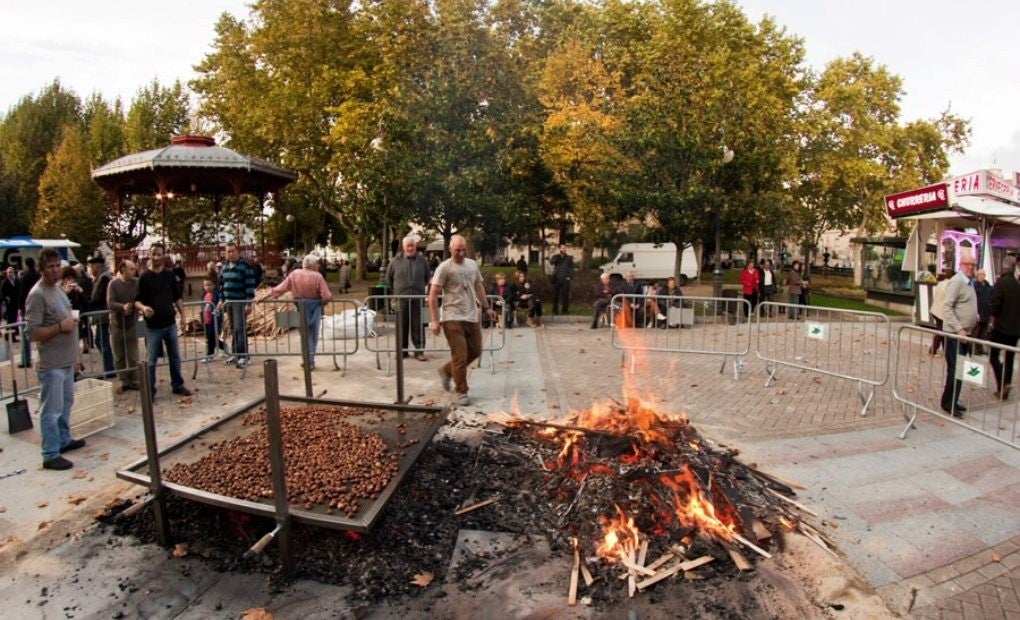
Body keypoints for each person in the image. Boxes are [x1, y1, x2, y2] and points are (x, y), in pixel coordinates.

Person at [25, 247, 84, 470]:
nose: (55, 270)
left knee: (66, 403)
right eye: (50, 267)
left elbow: (68, 318)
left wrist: (75, 355)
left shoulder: (59, 291)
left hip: (67, 360)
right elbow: (33, 333)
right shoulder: (37, 295)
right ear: (42, 269)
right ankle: (50, 453)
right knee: (51, 409)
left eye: (57, 265)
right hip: (51, 364)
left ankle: (63, 440)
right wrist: (61, 326)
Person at [428, 235, 495, 407]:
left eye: (463, 249)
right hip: (451, 317)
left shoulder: (472, 265)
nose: (461, 253)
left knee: (476, 350)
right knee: (460, 355)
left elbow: (479, 286)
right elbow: (433, 295)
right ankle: (462, 391)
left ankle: (446, 371)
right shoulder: (444, 268)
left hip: (471, 315)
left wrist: (487, 307)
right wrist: (435, 320)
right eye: (458, 250)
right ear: (450, 249)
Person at [135, 243, 192, 399]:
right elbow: (137, 301)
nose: (156, 257)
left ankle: (178, 385)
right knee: (151, 361)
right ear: (150, 255)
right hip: (153, 327)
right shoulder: (144, 277)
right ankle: (150, 392)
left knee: (175, 357)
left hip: (170, 324)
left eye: (159, 254)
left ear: (163, 256)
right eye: (153, 254)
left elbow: (177, 297)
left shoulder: (169, 275)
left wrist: (183, 316)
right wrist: (144, 308)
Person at [270, 254, 333, 370]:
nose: (318, 265)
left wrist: (272, 293)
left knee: (304, 335)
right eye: (317, 263)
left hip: (298, 305)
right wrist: (323, 302)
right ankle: (310, 361)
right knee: (313, 335)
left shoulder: (294, 274)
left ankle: (307, 360)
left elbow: (282, 287)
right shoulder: (317, 276)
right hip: (314, 306)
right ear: (312, 264)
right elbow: (327, 295)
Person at [940, 253, 978, 418]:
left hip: (964, 335)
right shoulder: (957, 281)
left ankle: (952, 400)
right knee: (955, 369)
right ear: (961, 265)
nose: (971, 267)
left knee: (961, 369)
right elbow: (947, 307)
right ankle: (948, 403)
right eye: (968, 264)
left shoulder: (969, 282)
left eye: (973, 265)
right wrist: (959, 329)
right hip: (955, 335)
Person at [386, 236, 430, 360]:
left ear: (415, 247)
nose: (410, 248)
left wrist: (418, 287)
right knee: (401, 325)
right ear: (404, 247)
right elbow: (389, 279)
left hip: (417, 298)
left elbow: (427, 277)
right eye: (408, 246)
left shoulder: (423, 261)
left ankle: (419, 351)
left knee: (418, 325)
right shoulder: (395, 261)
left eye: (412, 245)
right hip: (401, 299)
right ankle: (402, 351)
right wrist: (397, 290)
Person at [218, 242, 257, 367]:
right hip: (229, 302)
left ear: (237, 252)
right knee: (234, 329)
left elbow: (250, 285)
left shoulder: (245, 266)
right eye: (228, 251)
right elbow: (221, 285)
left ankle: (243, 356)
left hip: (240, 302)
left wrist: (248, 302)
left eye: (232, 251)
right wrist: (221, 299)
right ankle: (235, 355)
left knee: (240, 329)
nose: (230, 254)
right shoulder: (224, 267)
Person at [989, 256, 1020, 400]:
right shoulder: (1017, 284)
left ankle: (1003, 383)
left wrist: (992, 319)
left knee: (993, 355)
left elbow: (995, 306)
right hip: (1015, 330)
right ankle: (1006, 383)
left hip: (1001, 328)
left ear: (1004, 267)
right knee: (1010, 357)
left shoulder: (1000, 283)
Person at [107, 260, 140, 392]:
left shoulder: (137, 283)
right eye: (131, 269)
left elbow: (140, 297)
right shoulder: (113, 284)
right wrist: (122, 307)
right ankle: (123, 380)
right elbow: (110, 302)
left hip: (132, 323)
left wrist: (134, 306)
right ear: (123, 270)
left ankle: (135, 379)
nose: (134, 271)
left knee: (133, 354)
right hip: (116, 324)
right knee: (118, 354)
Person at [87, 256, 115, 377]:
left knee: (102, 341)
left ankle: (110, 369)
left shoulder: (104, 278)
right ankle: (109, 368)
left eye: (91, 267)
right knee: (100, 341)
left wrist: (87, 300)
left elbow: (98, 298)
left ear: (96, 266)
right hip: (101, 313)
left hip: (103, 313)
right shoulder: (100, 277)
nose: (90, 269)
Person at [17, 257, 40, 367]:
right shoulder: (38, 276)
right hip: (38, 307)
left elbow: (22, 293)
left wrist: (21, 308)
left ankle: (26, 359)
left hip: (28, 308)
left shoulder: (25, 277)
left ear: (26, 265)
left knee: (25, 334)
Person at [929, 271, 952, 355]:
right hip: (942, 311)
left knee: (942, 330)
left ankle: (946, 349)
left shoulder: (941, 283)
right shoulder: (949, 285)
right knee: (941, 330)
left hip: (935, 309)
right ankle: (933, 349)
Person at [550, 245, 574, 316]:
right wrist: (557, 256)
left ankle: (564, 310)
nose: (563, 249)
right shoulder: (556, 257)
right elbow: (551, 262)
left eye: (564, 248)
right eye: (562, 248)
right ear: (559, 249)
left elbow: (571, 268)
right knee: (555, 295)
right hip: (557, 278)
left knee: (565, 295)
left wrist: (569, 277)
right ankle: (555, 310)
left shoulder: (569, 258)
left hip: (565, 279)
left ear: (566, 249)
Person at [972, 268, 992, 354]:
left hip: (986, 312)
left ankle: (980, 348)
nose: (981, 276)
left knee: (983, 333)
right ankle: (973, 348)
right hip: (978, 312)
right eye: (980, 274)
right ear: (977, 276)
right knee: (976, 332)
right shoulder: (975, 286)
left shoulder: (988, 286)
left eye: (983, 274)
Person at [201, 278, 218, 360]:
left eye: (209, 285)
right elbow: (202, 308)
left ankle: (209, 354)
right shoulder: (204, 295)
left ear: (214, 285)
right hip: (206, 320)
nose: (207, 287)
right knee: (211, 337)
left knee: (211, 337)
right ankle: (223, 346)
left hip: (214, 320)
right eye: (205, 285)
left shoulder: (216, 295)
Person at [1, 266, 20, 342]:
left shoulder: (16, 281)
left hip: (15, 303)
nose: (10, 274)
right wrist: (6, 299)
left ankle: (8, 335)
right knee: (10, 320)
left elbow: (18, 290)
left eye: (11, 272)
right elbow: (2, 293)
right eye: (8, 272)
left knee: (14, 319)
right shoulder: (5, 282)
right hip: (9, 304)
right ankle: (12, 337)